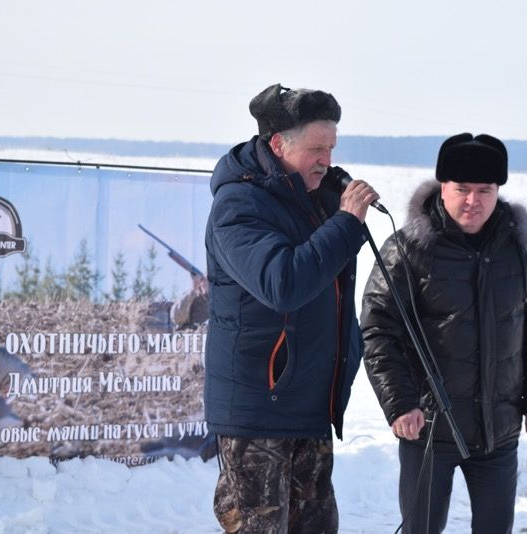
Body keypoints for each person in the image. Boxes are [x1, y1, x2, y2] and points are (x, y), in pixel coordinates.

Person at [360, 133, 527, 533]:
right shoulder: (408, 249)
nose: (474, 201)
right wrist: (400, 404)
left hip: (498, 429)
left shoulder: (516, 249)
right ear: (442, 188)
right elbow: (378, 329)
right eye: (462, 189)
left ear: (498, 191)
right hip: (429, 429)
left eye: (485, 190)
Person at [204, 83, 379, 533]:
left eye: (332, 148)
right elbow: (282, 283)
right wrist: (345, 223)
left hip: (309, 407)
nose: (328, 160)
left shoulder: (315, 199)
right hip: (259, 409)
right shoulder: (238, 206)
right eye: (316, 148)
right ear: (278, 143)